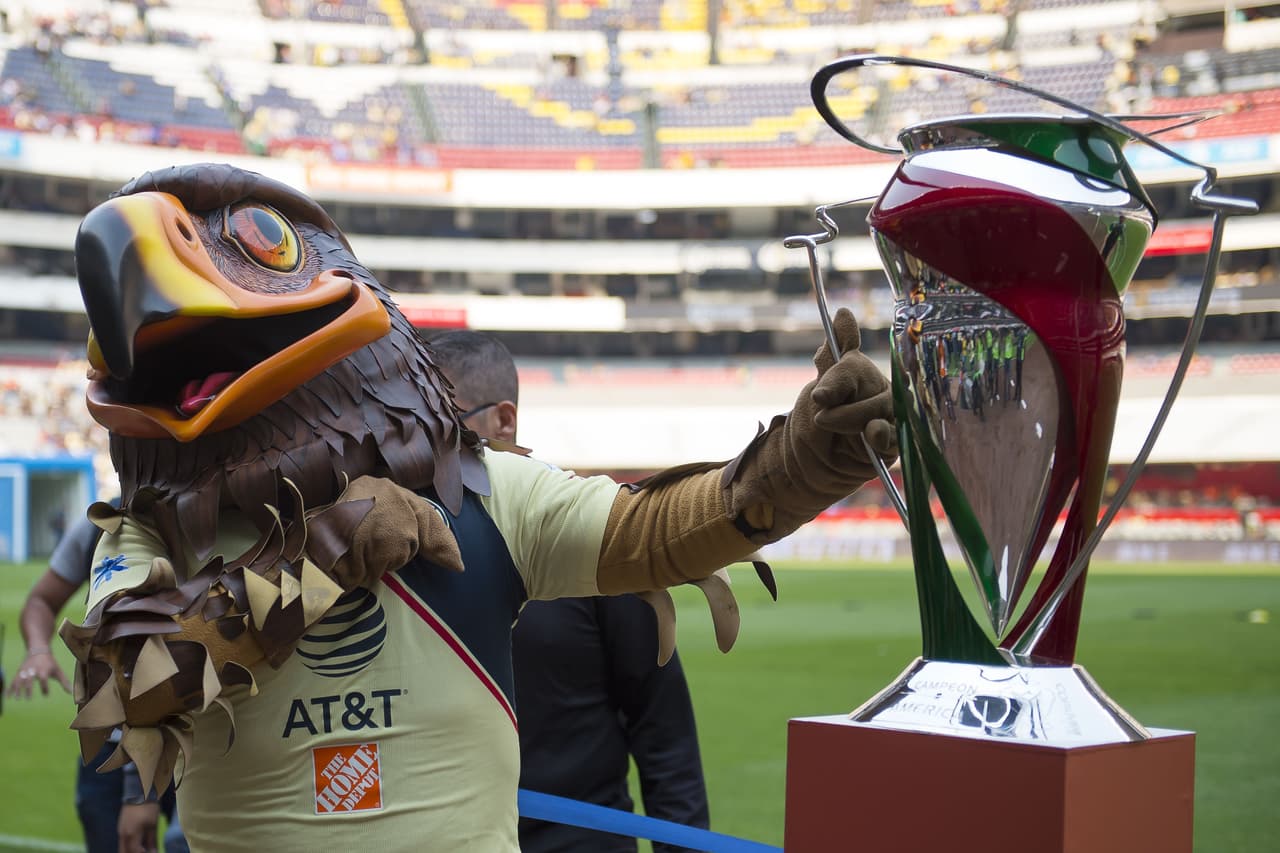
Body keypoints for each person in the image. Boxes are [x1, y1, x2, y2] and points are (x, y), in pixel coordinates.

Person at [62, 163, 896, 852]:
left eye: (262, 241)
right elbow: (124, 686)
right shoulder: (149, 533)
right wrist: (315, 556)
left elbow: (656, 531)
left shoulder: (482, 488)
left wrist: (795, 465)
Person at [430, 329, 710, 853]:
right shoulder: (401, 546)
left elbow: (662, 733)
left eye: (437, 426)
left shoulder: (597, 539)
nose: (416, 449)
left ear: (504, 420)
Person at [10, 501, 188, 853]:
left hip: (196, 745)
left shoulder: (215, 512)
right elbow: (41, 601)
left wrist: (140, 792)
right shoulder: (99, 522)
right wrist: (38, 651)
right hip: (109, 745)